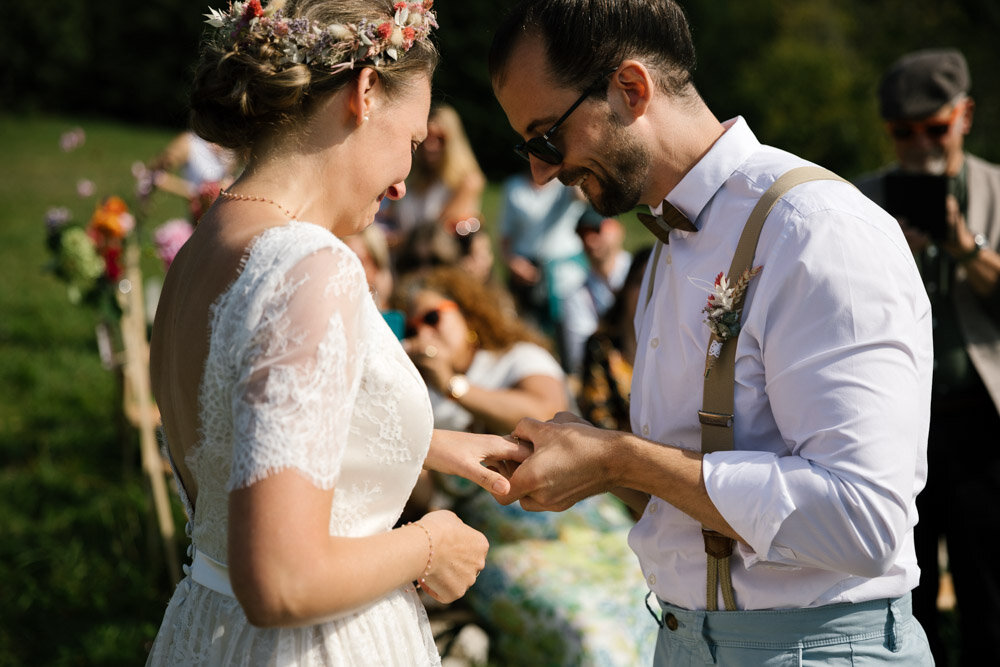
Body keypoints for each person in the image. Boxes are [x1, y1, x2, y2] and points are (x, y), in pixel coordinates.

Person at [488, 1, 935, 664]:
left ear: (632, 90)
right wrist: (582, 462)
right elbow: (691, 490)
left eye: (547, 138)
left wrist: (619, 458)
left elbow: (862, 519)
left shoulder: (816, 230)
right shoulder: (670, 243)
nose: (540, 173)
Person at [144, 2, 526, 665]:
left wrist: (421, 443)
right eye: (409, 142)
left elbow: (243, 432)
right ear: (366, 92)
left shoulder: (206, 249)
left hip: (207, 631)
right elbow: (282, 579)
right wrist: (431, 544)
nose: (405, 182)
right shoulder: (308, 264)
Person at [395, 265, 659, 665]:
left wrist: (454, 386)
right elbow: (424, 496)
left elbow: (546, 410)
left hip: (575, 519)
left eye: (432, 317)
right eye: (411, 328)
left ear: (467, 313)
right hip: (500, 537)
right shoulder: (416, 395)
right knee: (586, 632)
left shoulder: (515, 358)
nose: (423, 334)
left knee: (646, 602)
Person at [855, 48, 1000, 666]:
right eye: (902, 133)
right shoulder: (859, 201)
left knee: (988, 584)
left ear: (965, 115)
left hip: (982, 421)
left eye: (935, 128)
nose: (919, 145)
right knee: (902, 586)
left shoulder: (996, 188)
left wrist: (963, 247)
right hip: (894, 426)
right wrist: (895, 263)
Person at [498, 172, 588, 342]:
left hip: (565, 275)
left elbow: (583, 197)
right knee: (527, 335)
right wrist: (512, 262)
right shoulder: (514, 187)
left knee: (570, 338)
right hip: (526, 272)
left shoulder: (566, 183)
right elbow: (505, 236)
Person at [380, 103, 486, 241]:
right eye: (426, 138)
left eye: (440, 139)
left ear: (452, 141)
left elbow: (437, 233)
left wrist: (394, 241)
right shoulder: (411, 178)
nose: (431, 146)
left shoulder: (467, 182)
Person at [576, 246, 651, 433]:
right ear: (625, 288)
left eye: (655, 284)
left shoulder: (681, 346)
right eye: (639, 281)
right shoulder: (600, 346)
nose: (645, 292)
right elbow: (597, 415)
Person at [561, 207, 632, 375]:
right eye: (582, 234)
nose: (589, 240)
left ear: (618, 230)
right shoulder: (577, 295)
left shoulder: (645, 273)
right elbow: (578, 357)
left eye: (596, 230)